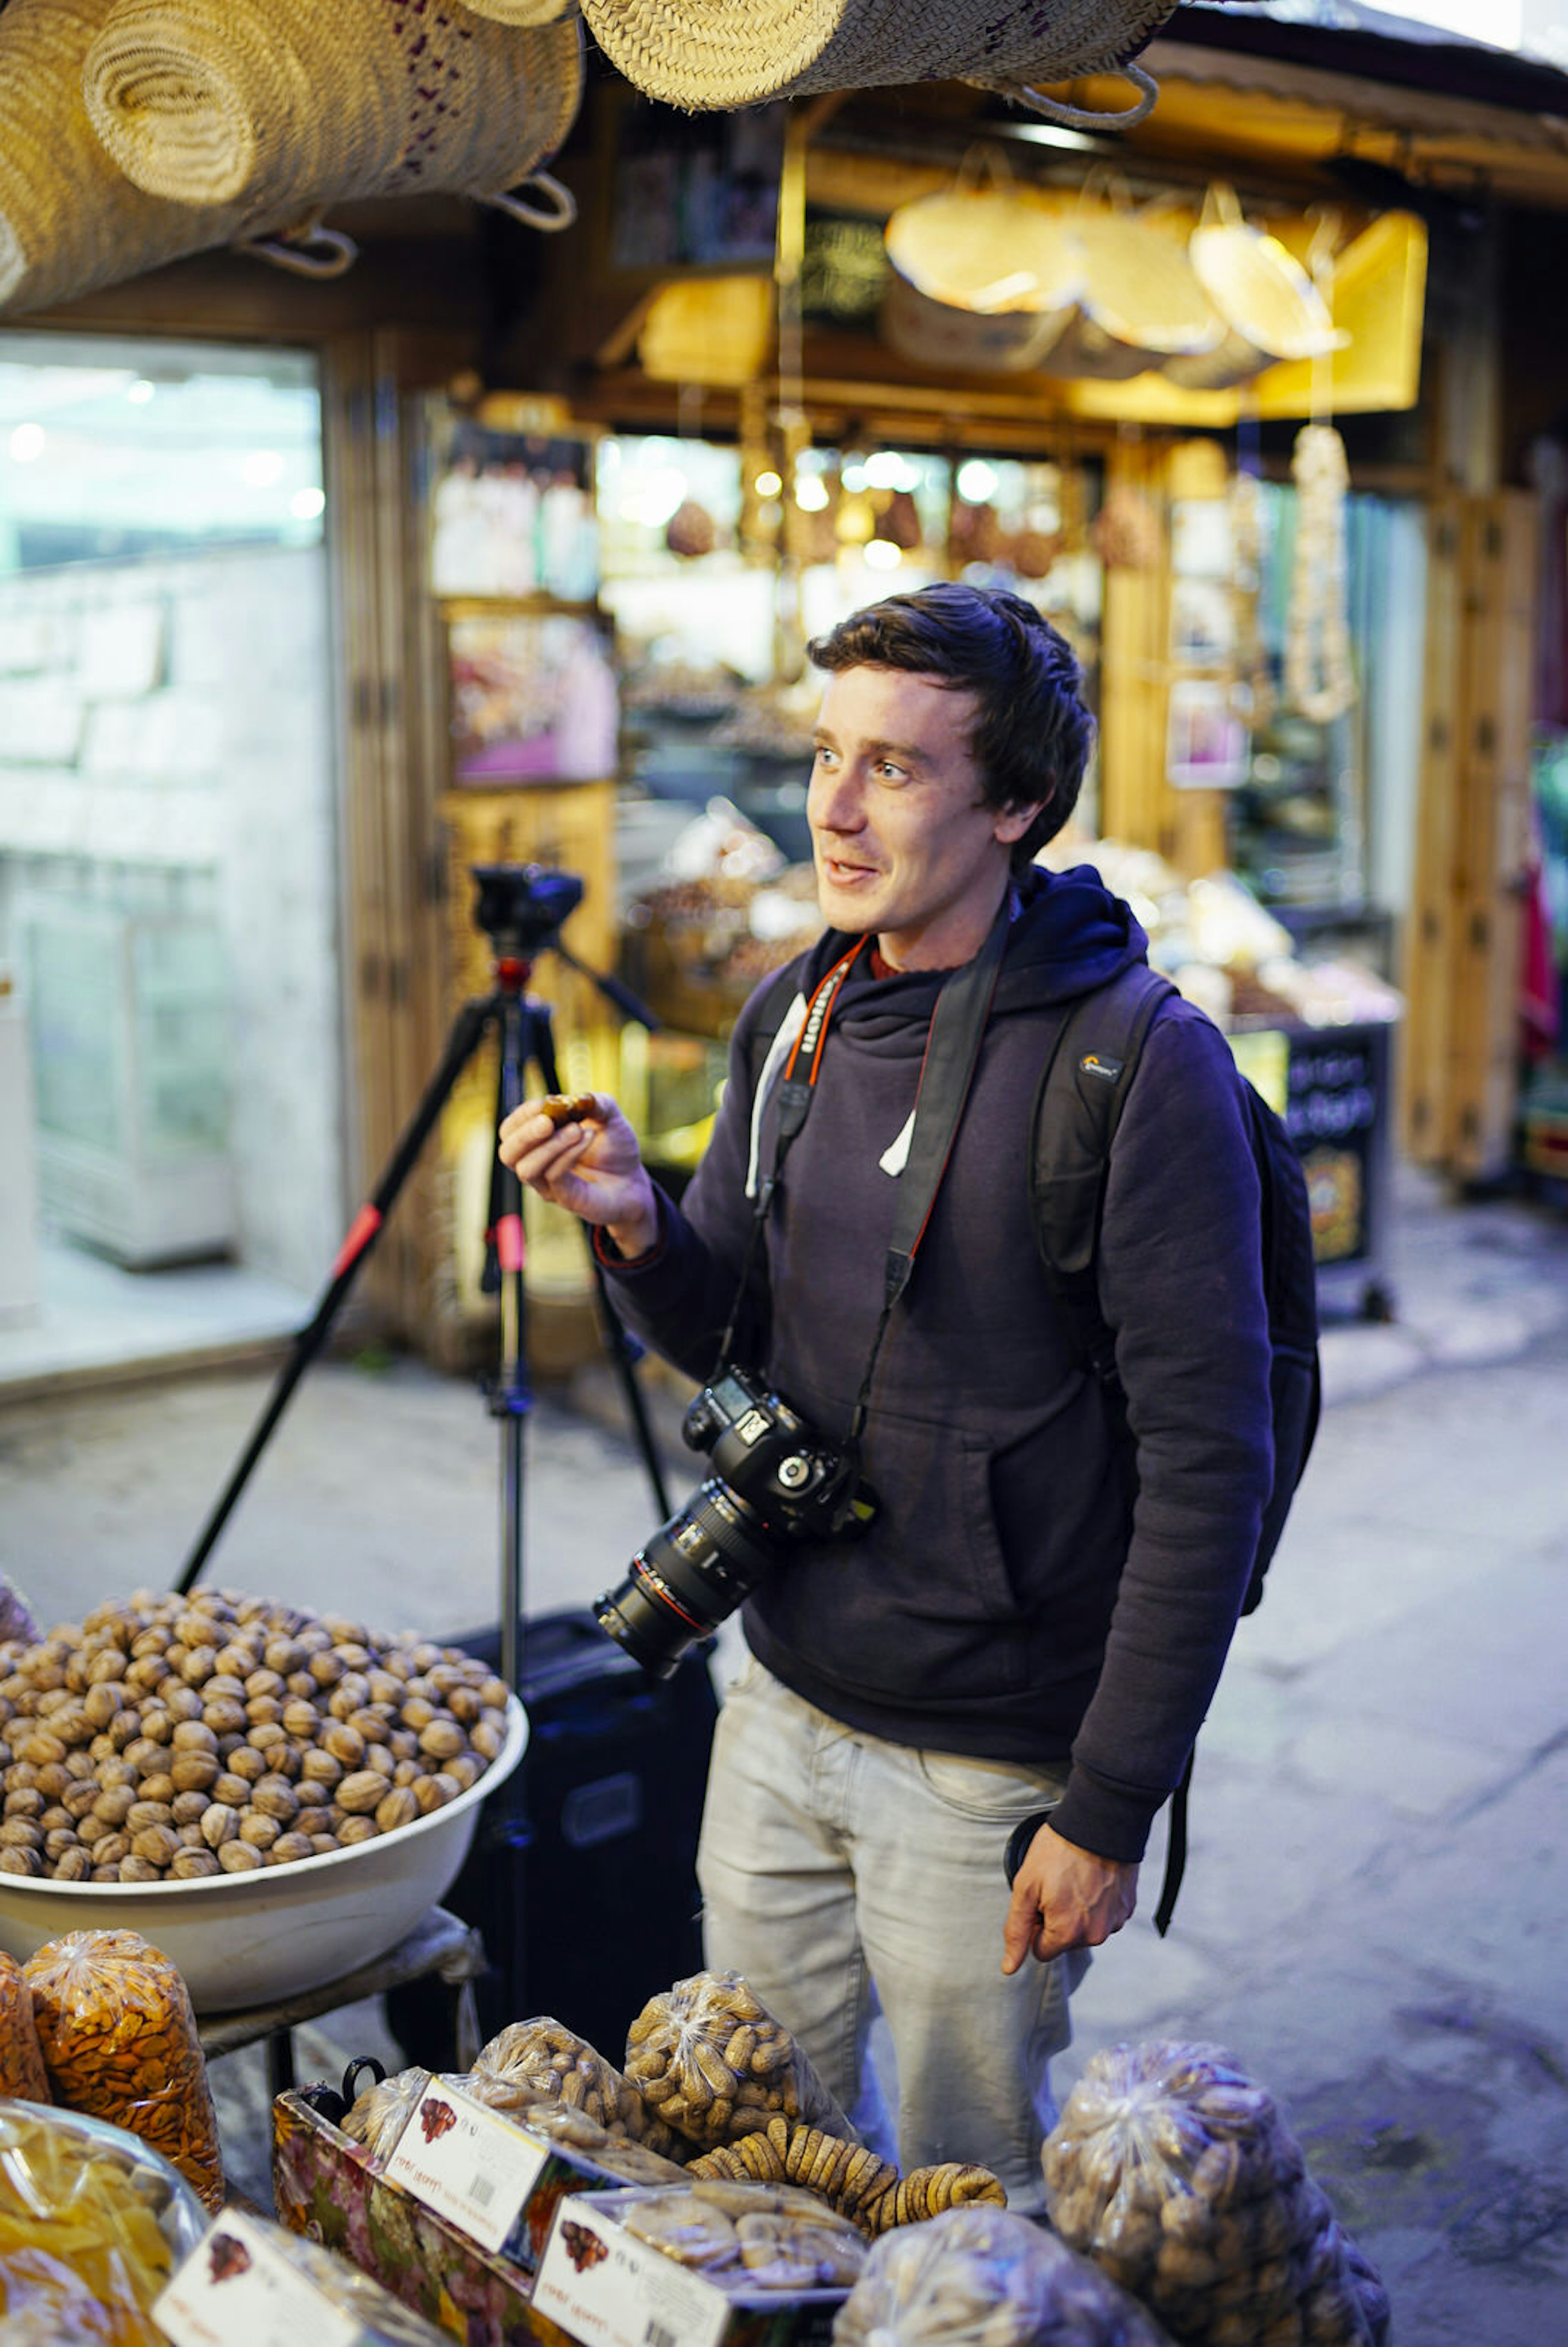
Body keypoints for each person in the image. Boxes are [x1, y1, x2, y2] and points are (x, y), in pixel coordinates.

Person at [498, 582, 1274, 2207]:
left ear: (1015, 804)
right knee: (754, 2148)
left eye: (897, 771)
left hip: (990, 1764)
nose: (834, 811)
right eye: (825, 756)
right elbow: (729, 1343)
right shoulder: (797, 1014)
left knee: (968, 2198)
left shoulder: (1139, 1065)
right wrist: (638, 1223)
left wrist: (1110, 1803)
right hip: (777, 1698)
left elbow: (1212, 1470)